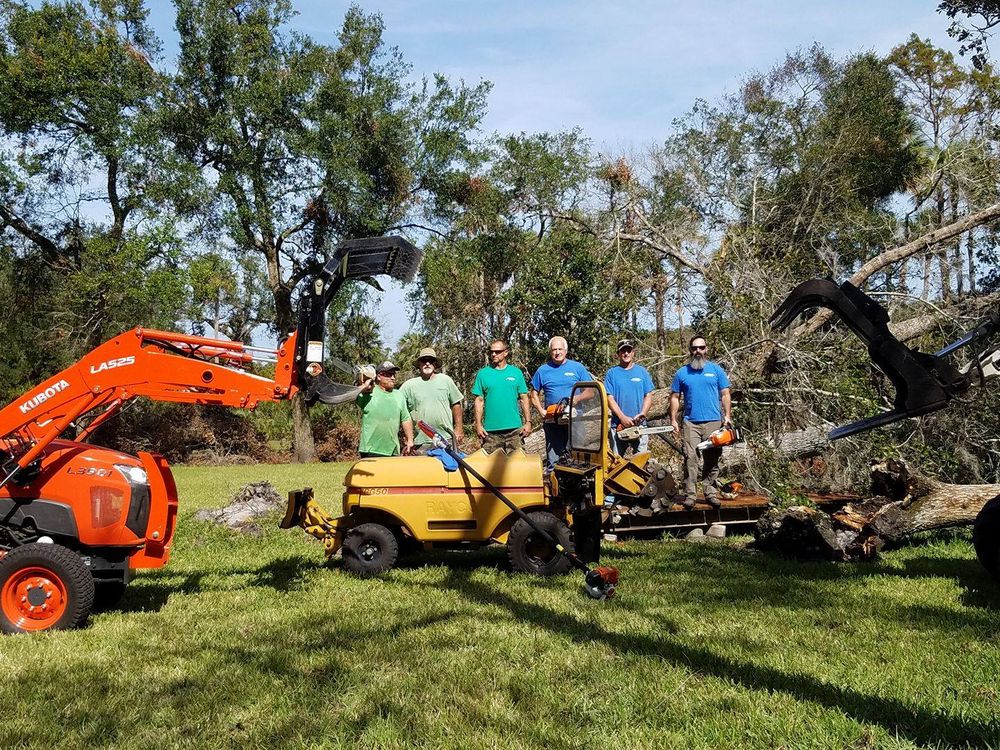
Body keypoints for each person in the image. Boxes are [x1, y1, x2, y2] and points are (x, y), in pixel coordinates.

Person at [669, 335, 732, 509]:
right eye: (694, 348)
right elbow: (674, 397)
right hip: (691, 423)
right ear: (690, 350)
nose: (698, 351)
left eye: (701, 348)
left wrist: (727, 416)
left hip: (713, 422)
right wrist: (673, 419)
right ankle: (690, 495)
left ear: (706, 349)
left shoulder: (716, 370)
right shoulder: (682, 373)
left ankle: (710, 493)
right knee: (691, 459)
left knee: (712, 459)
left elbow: (725, 394)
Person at [530, 336, 593, 470]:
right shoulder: (543, 370)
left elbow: (590, 392)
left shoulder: (578, 368)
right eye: (554, 349)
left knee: (578, 458)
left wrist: (577, 399)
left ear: (566, 350)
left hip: (576, 419)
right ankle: (556, 486)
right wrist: (542, 411)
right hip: (553, 420)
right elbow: (533, 394)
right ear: (550, 351)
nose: (557, 352)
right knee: (554, 460)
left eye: (560, 349)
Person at [472, 339, 532, 453]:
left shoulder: (516, 373)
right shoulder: (483, 374)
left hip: (515, 430)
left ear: (506, 353)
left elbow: (524, 398)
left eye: (498, 351)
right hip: (490, 432)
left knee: (517, 465)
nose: (493, 354)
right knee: (489, 468)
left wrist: (528, 422)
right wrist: (478, 425)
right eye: (491, 351)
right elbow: (479, 401)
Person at [400, 347, 464, 453]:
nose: (427, 363)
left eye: (431, 360)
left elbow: (456, 404)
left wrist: (458, 429)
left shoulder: (446, 380)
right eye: (424, 360)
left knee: (449, 468)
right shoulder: (408, 385)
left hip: (446, 439)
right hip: (420, 442)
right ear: (419, 364)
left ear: (435, 364)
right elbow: (399, 408)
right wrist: (407, 437)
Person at [604, 338, 655, 456]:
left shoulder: (642, 372)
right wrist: (622, 418)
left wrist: (643, 413)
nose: (626, 353)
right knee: (616, 462)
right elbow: (609, 398)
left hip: (639, 424)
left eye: (628, 350)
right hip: (618, 425)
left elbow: (648, 395)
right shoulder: (612, 373)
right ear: (618, 354)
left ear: (633, 352)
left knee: (641, 461)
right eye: (623, 351)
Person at [356, 361, 414, 457]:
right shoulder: (369, 392)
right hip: (371, 449)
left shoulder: (399, 395)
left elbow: (405, 418)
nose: (393, 378)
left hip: (392, 450)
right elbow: (352, 395)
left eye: (393, 374)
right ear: (378, 376)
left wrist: (410, 440)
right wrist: (364, 385)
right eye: (388, 374)